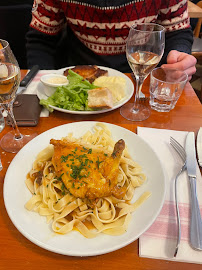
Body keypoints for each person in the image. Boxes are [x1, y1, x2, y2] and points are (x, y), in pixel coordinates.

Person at [26, 0, 196, 81]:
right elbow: (41, 40)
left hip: (142, 82)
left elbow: (177, 31)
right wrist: (46, 84)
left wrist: (179, 56)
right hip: (77, 80)